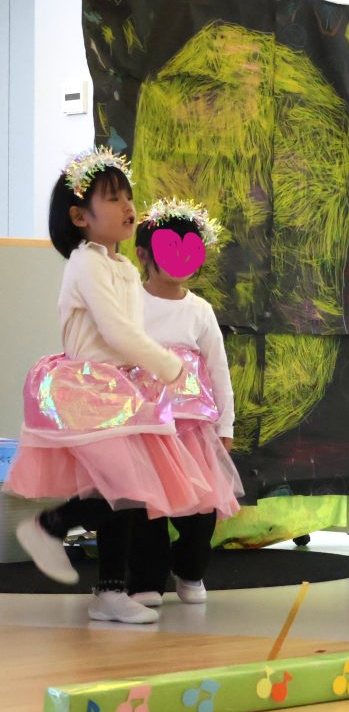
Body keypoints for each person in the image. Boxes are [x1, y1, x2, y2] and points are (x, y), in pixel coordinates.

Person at [5, 148, 209, 623]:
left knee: (121, 492)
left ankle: (109, 590)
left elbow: (129, 332)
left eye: (128, 197)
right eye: (113, 199)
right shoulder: (86, 263)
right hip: (87, 389)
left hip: (118, 390)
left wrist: (148, 374)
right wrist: (168, 366)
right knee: (123, 487)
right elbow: (117, 332)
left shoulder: (123, 268)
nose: (127, 206)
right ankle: (49, 527)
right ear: (81, 217)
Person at [127, 199, 244, 606]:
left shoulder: (200, 311)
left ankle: (189, 570)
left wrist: (225, 425)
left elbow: (218, 370)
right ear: (144, 254)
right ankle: (146, 580)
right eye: (168, 248)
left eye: (190, 249)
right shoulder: (129, 303)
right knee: (148, 507)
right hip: (144, 427)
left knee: (201, 508)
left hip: (192, 429)